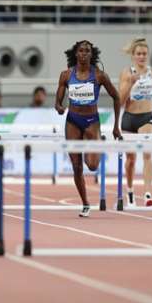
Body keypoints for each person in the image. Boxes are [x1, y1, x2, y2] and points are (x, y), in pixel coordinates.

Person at [54, 40, 121, 218]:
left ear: (92, 55)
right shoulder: (66, 75)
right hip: (73, 121)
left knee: (91, 166)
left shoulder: (99, 76)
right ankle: (85, 203)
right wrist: (59, 108)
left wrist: (116, 126)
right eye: (81, 51)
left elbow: (117, 97)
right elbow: (57, 102)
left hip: (92, 121)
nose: (84, 53)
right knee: (77, 167)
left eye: (87, 51)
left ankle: (90, 140)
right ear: (76, 54)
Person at [118, 38, 152, 206]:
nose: (141, 56)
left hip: (146, 117)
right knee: (131, 160)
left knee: (147, 153)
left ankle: (148, 193)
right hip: (129, 119)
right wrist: (130, 83)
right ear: (133, 56)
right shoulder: (127, 73)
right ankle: (130, 190)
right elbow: (120, 100)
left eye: (144, 54)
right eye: (138, 54)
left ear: (147, 55)